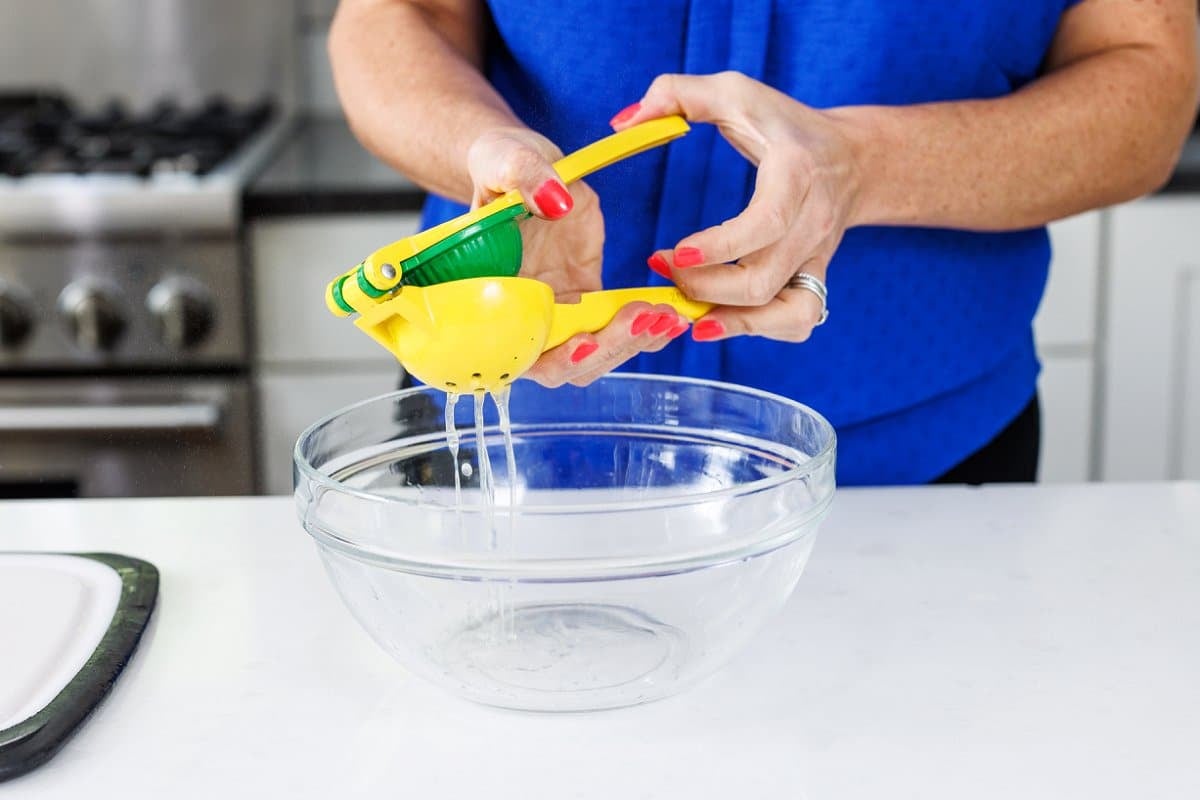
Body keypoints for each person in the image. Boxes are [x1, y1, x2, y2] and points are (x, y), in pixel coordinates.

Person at [328, 0, 1199, 486]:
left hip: (919, 471)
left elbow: (1149, 79)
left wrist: (860, 169)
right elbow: (397, 17)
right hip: (502, 426)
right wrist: (483, 149)